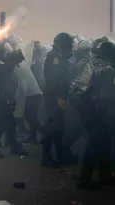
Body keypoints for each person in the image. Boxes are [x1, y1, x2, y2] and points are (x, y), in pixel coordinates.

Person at [70, 39, 115, 189]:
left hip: (83, 105)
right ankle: (85, 177)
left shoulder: (91, 62)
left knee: (103, 140)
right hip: (95, 108)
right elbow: (107, 95)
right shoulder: (107, 69)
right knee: (96, 141)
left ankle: (104, 174)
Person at [0, 42, 27, 157]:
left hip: (7, 96)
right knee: (1, 123)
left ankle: (13, 145)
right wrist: (13, 60)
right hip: (1, 98)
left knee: (11, 122)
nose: (6, 54)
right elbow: (6, 71)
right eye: (4, 52)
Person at [42, 32, 73, 167]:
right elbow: (54, 80)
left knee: (59, 126)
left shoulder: (59, 56)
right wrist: (59, 97)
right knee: (51, 127)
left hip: (58, 95)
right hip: (54, 96)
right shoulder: (54, 57)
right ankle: (46, 157)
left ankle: (60, 154)